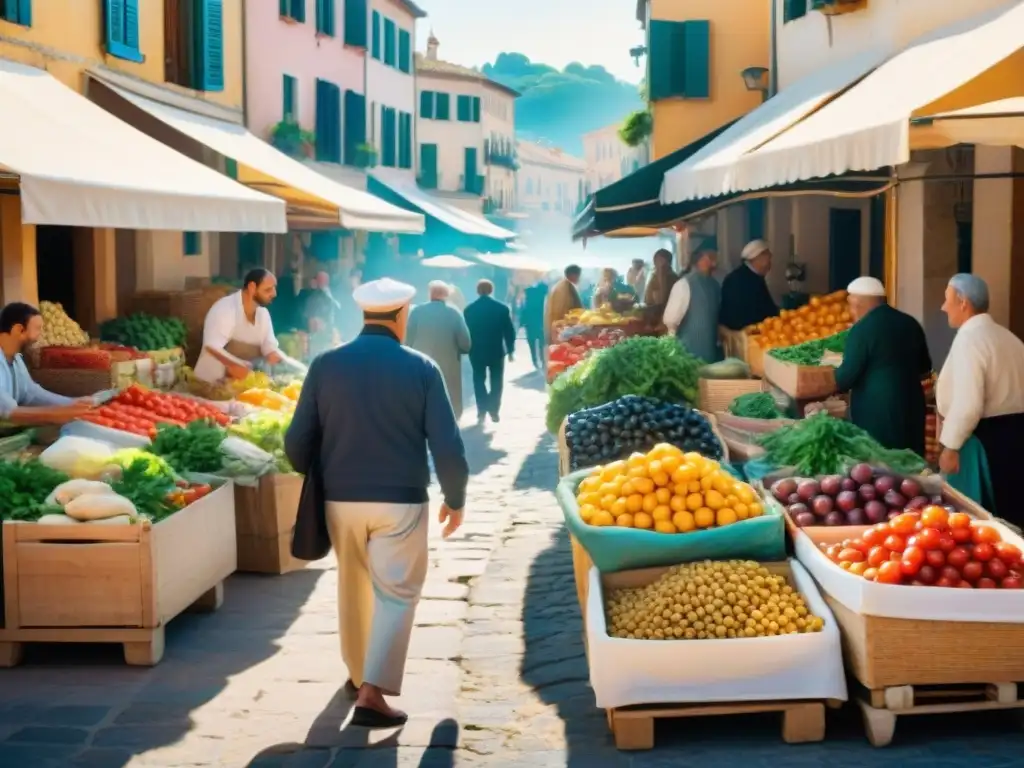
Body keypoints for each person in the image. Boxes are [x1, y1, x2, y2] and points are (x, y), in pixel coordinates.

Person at [284, 277, 468, 729]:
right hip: (400, 501)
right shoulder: (423, 368)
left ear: (363, 314)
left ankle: (356, 673)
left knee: (353, 583)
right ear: (402, 315)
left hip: (340, 499)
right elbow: (447, 444)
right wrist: (455, 497)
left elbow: (296, 443)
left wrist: (320, 469)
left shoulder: (326, 365)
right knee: (397, 593)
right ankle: (372, 692)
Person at [936, 274, 1024, 521]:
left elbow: (968, 403)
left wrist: (950, 447)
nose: (943, 308)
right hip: (1015, 437)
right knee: (1013, 510)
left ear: (963, 302)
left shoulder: (970, 339)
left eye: (947, 300)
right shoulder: (1009, 338)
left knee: (979, 518)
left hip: (982, 442)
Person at [831, 276, 931, 455]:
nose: (850, 311)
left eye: (850, 305)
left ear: (858, 304)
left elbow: (845, 379)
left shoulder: (861, 330)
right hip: (912, 410)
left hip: (877, 415)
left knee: (882, 471)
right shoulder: (910, 323)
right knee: (911, 466)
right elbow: (924, 371)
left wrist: (829, 377)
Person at [0, 303, 95, 426]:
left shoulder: (16, 358)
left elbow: (31, 392)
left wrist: (72, 403)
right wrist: (60, 414)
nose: (39, 336)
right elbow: (7, 412)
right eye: (37, 329)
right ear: (19, 330)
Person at [194, 268, 288, 383]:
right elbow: (211, 345)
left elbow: (269, 348)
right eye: (268, 289)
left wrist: (287, 362)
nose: (274, 294)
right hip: (211, 384)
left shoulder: (263, 314)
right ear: (252, 287)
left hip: (242, 386)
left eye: (274, 288)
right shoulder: (225, 308)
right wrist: (236, 364)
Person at [406, 281, 472, 418]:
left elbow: (407, 341)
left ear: (430, 294)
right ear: (447, 295)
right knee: (448, 400)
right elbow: (466, 343)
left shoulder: (417, 312)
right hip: (448, 366)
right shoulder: (454, 313)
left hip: (420, 364)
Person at [463, 279, 516, 424]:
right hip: (496, 350)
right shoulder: (501, 308)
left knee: (478, 379)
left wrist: (464, 347)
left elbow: (465, 332)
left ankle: (481, 409)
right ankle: (494, 409)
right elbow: (509, 331)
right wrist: (511, 349)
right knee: (497, 381)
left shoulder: (469, 309)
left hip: (476, 350)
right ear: (491, 290)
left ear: (477, 291)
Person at [663, 248, 722, 363]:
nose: (714, 260)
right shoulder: (684, 284)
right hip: (687, 350)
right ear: (699, 259)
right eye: (710, 256)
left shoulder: (714, 284)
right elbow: (671, 320)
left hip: (710, 349)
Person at [719, 239, 780, 331]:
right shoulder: (736, 280)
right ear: (758, 258)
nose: (770, 264)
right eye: (768, 258)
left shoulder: (755, 277)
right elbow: (737, 316)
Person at [303, 271, 342, 358]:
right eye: (321, 280)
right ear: (316, 281)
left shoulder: (331, 295)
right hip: (315, 334)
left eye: (325, 280)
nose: (323, 282)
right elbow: (309, 316)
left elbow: (338, 308)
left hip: (328, 333)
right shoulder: (311, 296)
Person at [544, 264, 583, 342]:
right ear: (573, 275)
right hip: (560, 332)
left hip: (562, 330)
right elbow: (560, 313)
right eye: (578, 275)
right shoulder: (562, 289)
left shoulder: (565, 286)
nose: (579, 278)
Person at [643, 248, 679, 325]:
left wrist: (661, 276)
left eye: (660, 261)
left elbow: (660, 300)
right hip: (651, 317)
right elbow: (647, 299)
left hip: (663, 320)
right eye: (656, 261)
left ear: (668, 263)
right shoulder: (654, 276)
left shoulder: (672, 278)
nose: (657, 264)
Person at [520, 280, 549, 370]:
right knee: (542, 343)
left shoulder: (529, 295)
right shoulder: (543, 297)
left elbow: (524, 310)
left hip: (530, 323)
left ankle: (535, 361)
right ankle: (543, 361)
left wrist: (522, 322)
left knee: (532, 343)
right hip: (541, 323)